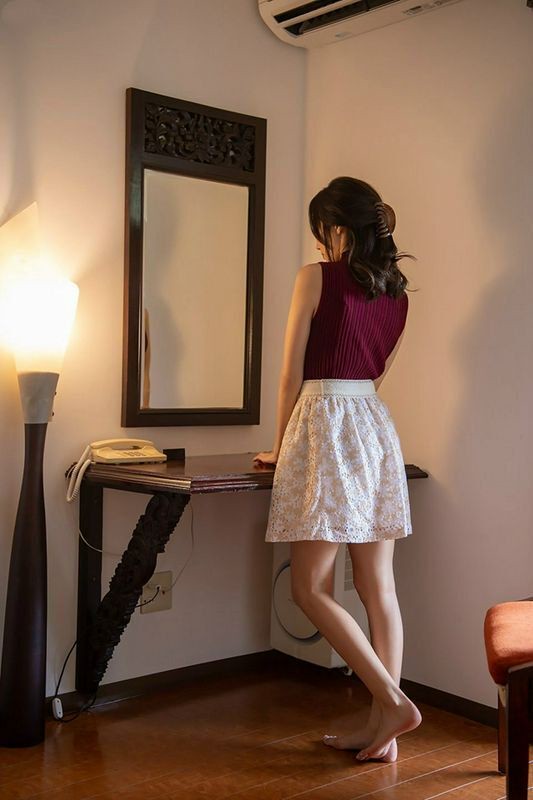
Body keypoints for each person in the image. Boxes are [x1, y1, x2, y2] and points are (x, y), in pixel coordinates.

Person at [253, 176, 422, 763]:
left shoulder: (316, 277)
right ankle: (384, 732)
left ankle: (392, 706)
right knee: (379, 589)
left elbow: (290, 375)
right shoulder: (398, 296)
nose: (320, 244)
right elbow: (374, 378)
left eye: (321, 232)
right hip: (374, 428)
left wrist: (281, 447)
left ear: (336, 230)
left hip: (323, 423)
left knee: (308, 587)